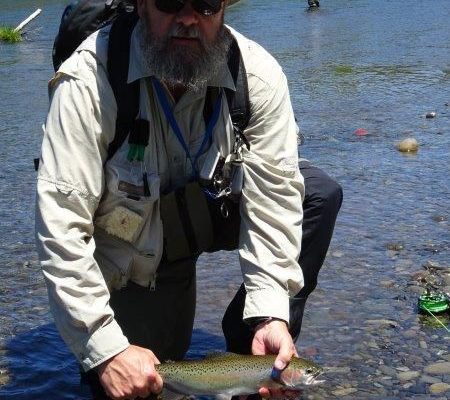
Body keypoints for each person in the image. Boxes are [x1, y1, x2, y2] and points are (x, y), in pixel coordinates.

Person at [35, 1, 342, 399]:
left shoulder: (258, 77)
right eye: (169, 1)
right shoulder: (87, 83)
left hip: (208, 209)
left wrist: (269, 314)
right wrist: (105, 349)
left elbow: (275, 203)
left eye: (206, 3)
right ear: (142, 5)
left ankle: (247, 346)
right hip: (130, 249)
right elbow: (61, 231)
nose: (188, 17)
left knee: (317, 195)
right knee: (139, 384)